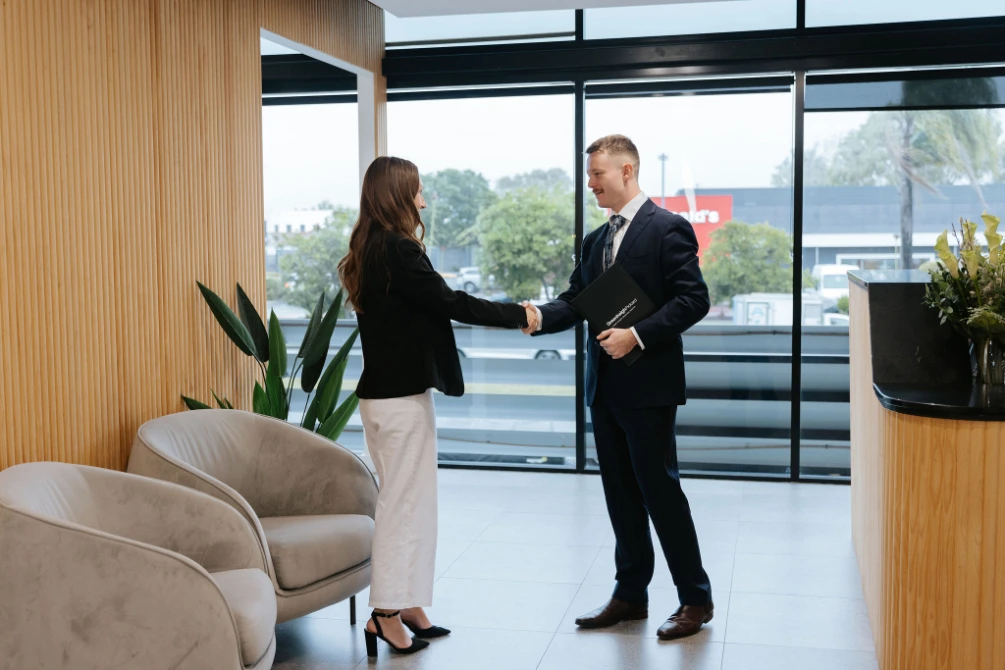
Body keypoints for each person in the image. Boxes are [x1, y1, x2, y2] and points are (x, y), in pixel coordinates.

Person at [337, 156, 538, 657]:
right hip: (397, 401)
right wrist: (520, 313)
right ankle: (384, 614)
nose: (423, 200)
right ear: (398, 196)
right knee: (402, 508)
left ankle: (409, 604)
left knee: (416, 504)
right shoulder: (398, 249)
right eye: (418, 191)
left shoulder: (370, 246)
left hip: (394, 397)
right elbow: (451, 303)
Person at [524, 135, 713, 641]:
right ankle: (630, 595)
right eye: (589, 175)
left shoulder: (667, 228)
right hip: (604, 389)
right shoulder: (594, 240)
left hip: (649, 388)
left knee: (661, 495)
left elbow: (694, 300)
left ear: (627, 171)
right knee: (620, 498)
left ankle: (696, 598)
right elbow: (576, 301)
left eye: (598, 174)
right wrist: (538, 315)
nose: (591, 184)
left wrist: (637, 335)